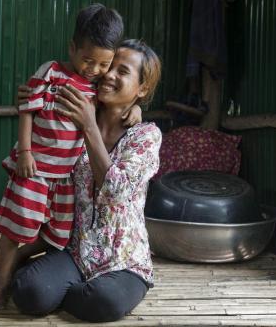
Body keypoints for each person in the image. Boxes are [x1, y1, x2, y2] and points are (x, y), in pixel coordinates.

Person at [0, 4, 142, 309]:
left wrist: (136, 109)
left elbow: (114, 107)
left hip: (66, 179)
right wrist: (26, 151)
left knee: (58, 233)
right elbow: (27, 108)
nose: (94, 70)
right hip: (36, 170)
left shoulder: (97, 89)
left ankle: (28, 267)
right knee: (15, 229)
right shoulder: (52, 72)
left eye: (103, 65)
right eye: (88, 61)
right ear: (72, 48)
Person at [10, 39, 162, 322]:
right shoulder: (73, 118)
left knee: (105, 301)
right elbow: (37, 107)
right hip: (75, 253)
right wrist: (28, 98)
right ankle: (62, 288)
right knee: (28, 292)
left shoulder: (145, 137)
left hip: (124, 262)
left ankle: (69, 291)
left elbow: (115, 192)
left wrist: (90, 125)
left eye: (123, 71)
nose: (109, 75)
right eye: (110, 67)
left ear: (142, 89)